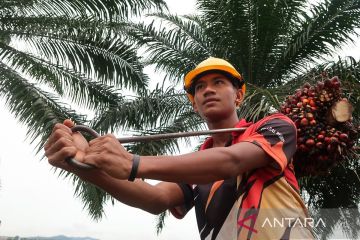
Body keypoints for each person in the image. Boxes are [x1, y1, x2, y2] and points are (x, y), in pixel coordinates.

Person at [44, 57, 314, 239]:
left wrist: (133, 163)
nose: (208, 90)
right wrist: (80, 163)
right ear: (194, 103)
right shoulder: (197, 167)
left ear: (239, 95)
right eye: (200, 87)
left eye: (219, 82)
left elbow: (232, 160)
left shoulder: (275, 127)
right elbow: (155, 199)